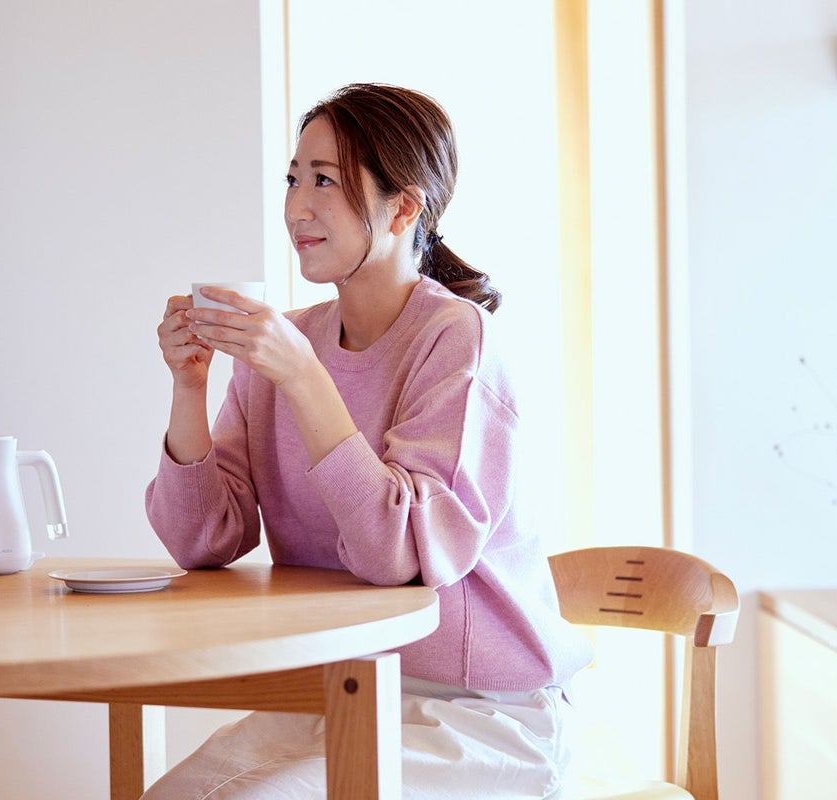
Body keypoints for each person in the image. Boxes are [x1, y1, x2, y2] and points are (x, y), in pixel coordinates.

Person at [144, 82, 593, 799]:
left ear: (404, 207)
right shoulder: (289, 341)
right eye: (293, 179)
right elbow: (204, 541)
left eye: (325, 181)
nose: (297, 207)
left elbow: (400, 558)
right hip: (342, 690)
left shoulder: (457, 342)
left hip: (478, 715)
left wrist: (302, 376)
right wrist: (189, 384)